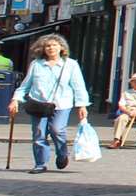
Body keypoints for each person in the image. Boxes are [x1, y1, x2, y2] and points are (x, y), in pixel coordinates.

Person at [7, 33, 89, 174]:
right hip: (39, 103)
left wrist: (82, 105)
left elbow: (78, 86)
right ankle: (40, 163)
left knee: (57, 130)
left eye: (54, 45)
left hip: (61, 104)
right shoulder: (36, 64)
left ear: (61, 48)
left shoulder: (70, 65)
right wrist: (15, 100)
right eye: (48, 46)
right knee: (39, 133)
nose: (51, 48)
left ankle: (62, 154)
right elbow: (25, 85)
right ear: (43, 49)